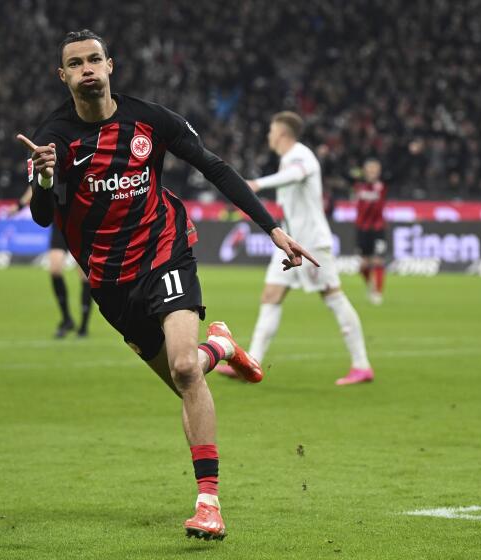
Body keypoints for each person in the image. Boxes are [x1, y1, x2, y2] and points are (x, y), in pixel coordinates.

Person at [20, 30, 317, 540]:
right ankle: (219, 346)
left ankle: (209, 504)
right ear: (63, 75)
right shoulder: (55, 140)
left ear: (110, 65)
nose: (88, 69)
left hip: (164, 253)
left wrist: (272, 228)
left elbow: (214, 168)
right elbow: (44, 217)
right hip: (109, 284)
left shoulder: (150, 120)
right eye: (76, 63)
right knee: (186, 379)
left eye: (95, 59)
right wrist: (45, 179)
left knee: (183, 367)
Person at [216, 111, 374, 386]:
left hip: (311, 242)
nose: (269, 136)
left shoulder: (301, 156)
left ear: (282, 133)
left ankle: (361, 365)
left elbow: (294, 175)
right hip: (290, 241)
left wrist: (256, 184)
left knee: (333, 295)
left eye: (271, 131)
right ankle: (251, 361)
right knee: (271, 295)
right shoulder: (289, 158)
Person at [16, 185, 93, 338]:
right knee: (55, 269)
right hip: (60, 221)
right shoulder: (53, 162)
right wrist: (20, 205)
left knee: (85, 275)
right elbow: (36, 184)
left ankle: (84, 325)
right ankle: (66, 319)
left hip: (83, 219)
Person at [353, 158, 387, 305]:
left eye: (375, 170)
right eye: (370, 169)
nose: (372, 172)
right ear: (365, 171)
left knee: (378, 260)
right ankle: (371, 286)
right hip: (362, 229)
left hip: (378, 229)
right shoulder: (359, 186)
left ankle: (377, 294)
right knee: (364, 265)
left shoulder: (382, 186)